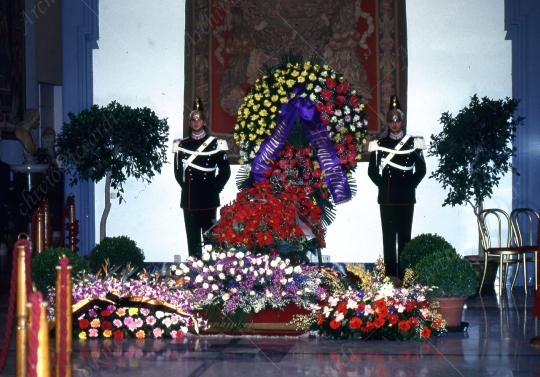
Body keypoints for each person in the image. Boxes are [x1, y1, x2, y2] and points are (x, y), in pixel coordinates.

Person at [367, 95, 426, 277]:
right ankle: (390, 276)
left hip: (406, 197)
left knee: (405, 238)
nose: (394, 124)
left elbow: (421, 170)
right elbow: (372, 172)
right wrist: (384, 186)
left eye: (397, 120)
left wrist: (410, 186)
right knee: (389, 238)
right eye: (391, 120)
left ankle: (405, 276)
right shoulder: (379, 144)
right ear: (387, 122)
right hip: (387, 198)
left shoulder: (413, 143)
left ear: (402, 121)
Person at [173, 98, 231, 258]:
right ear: (190, 122)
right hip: (190, 199)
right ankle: (193, 271)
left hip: (208, 199)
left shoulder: (216, 144)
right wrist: (187, 188)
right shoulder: (182, 145)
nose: (196, 123)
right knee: (192, 241)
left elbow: (225, 172)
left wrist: (214, 188)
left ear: (204, 122)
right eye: (193, 119)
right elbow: (178, 173)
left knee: (210, 240)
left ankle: (210, 274)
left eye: (199, 119)